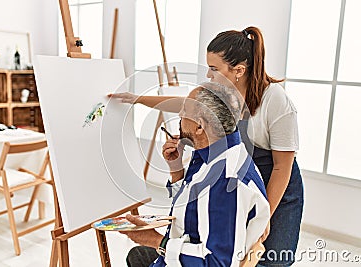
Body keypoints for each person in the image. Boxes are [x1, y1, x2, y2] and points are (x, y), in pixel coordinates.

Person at [110, 26, 304, 267]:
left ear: (238, 71)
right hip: (240, 178)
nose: (209, 75)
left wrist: (265, 215)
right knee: (234, 245)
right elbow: (187, 104)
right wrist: (137, 99)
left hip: (274, 179)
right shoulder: (222, 96)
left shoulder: (275, 100)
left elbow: (281, 168)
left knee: (268, 257)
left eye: (214, 69)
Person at [121, 82, 270, 267]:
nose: (179, 115)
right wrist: (176, 170)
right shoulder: (211, 153)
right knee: (137, 255)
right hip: (182, 248)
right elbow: (195, 207)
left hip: (188, 259)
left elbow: (217, 263)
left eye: (184, 110)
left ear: (200, 126)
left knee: (140, 254)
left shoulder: (227, 181)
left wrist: (155, 241)